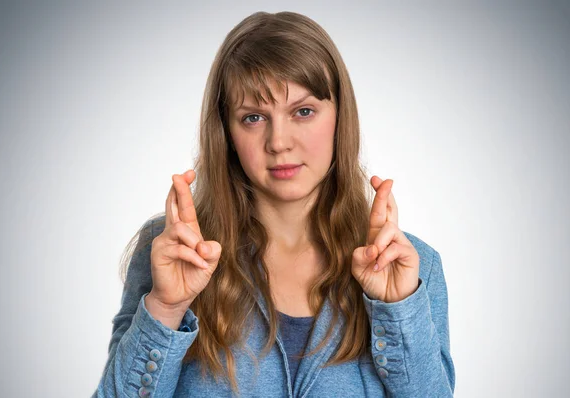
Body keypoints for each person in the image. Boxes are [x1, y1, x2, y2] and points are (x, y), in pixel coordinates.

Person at [92, 10, 455, 398]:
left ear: (339, 117)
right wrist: (166, 308)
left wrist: (398, 312)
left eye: (303, 111)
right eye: (253, 118)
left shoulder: (413, 268)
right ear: (227, 132)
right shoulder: (173, 252)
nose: (278, 142)